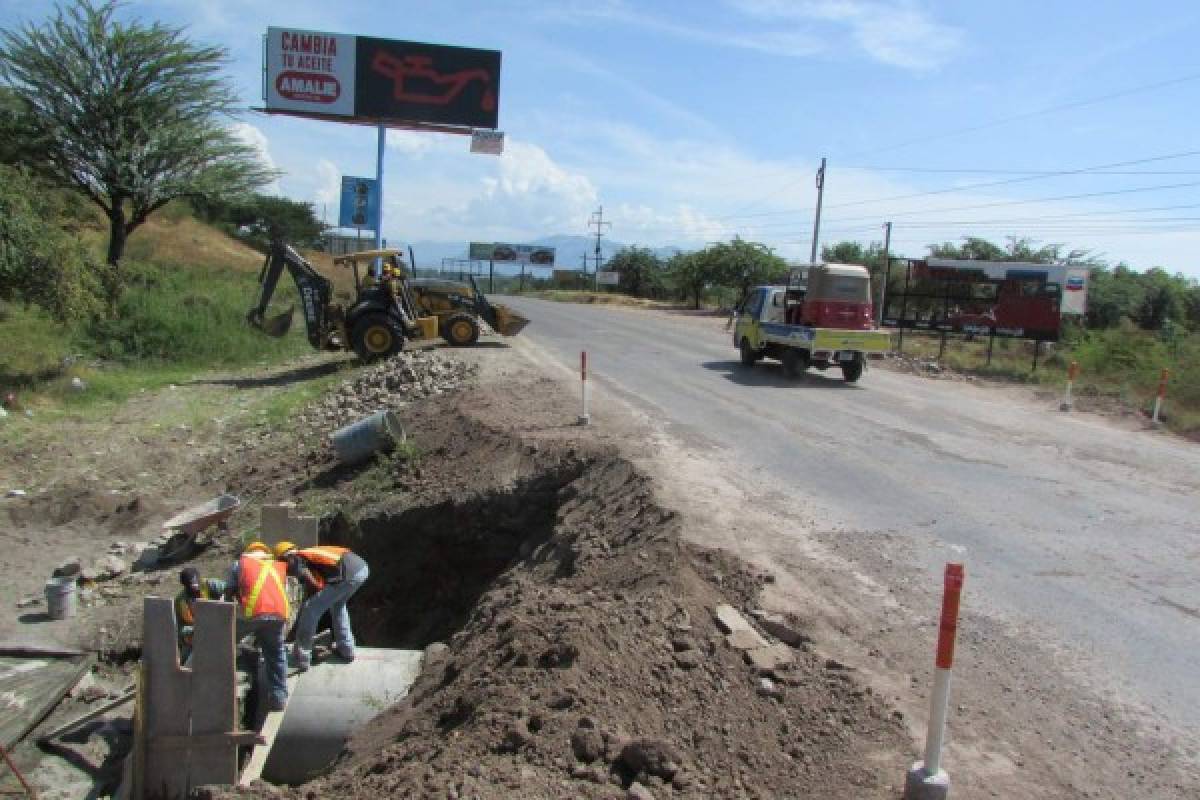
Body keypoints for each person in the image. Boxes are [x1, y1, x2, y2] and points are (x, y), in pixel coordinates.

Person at [273, 541, 369, 672]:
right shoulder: (310, 554)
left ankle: (302, 656)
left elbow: (311, 581)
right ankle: (347, 650)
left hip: (348, 574)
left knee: (310, 609)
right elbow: (318, 583)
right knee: (337, 606)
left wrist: (314, 596)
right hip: (361, 569)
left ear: (284, 557)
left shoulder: (295, 558)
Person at [228, 541, 291, 711]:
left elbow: (230, 591)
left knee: (226, 642)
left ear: (248, 553)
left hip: (253, 613)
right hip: (279, 614)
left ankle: (217, 684)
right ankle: (278, 698)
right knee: (276, 654)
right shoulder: (277, 565)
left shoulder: (240, 563)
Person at [174, 567, 227, 663]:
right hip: (193, 640)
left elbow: (229, 590)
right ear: (185, 585)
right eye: (191, 584)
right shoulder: (180, 601)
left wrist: (222, 602)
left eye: (196, 582)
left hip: (218, 632)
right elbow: (178, 628)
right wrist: (195, 629)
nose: (195, 585)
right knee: (186, 664)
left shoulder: (211, 585)